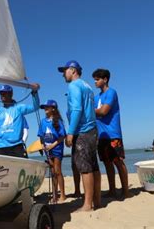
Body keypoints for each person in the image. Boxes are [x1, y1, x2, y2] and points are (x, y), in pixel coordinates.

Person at [58, 60, 101, 211]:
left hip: (82, 131)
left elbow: (76, 109)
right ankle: (97, 201)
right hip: (92, 129)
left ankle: (88, 205)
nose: (63, 74)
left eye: (65, 71)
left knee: (85, 167)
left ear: (73, 70)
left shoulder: (74, 85)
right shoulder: (87, 86)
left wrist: (70, 132)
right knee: (93, 165)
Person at [93, 68, 130, 199]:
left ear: (105, 79)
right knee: (107, 163)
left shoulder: (111, 92)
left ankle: (126, 191)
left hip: (113, 133)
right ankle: (112, 190)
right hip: (101, 135)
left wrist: (90, 110)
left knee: (118, 162)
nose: (95, 82)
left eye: (97, 79)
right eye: (95, 80)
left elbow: (103, 111)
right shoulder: (96, 97)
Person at [0, 83, 40, 158]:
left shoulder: (19, 108)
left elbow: (36, 107)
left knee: (22, 169)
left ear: (11, 94)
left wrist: (34, 92)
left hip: (17, 146)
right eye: (1, 94)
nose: (2, 96)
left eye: (4, 93)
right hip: (2, 147)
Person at [38, 99, 67, 204]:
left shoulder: (58, 121)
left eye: (47, 107)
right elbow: (41, 136)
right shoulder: (42, 121)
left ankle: (63, 195)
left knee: (58, 171)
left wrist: (52, 145)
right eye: (44, 107)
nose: (45, 108)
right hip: (47, 150)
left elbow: (62, 136)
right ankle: (55, 195)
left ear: (53, 108)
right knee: (53, 172)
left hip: (57, 148)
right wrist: (42, 146)